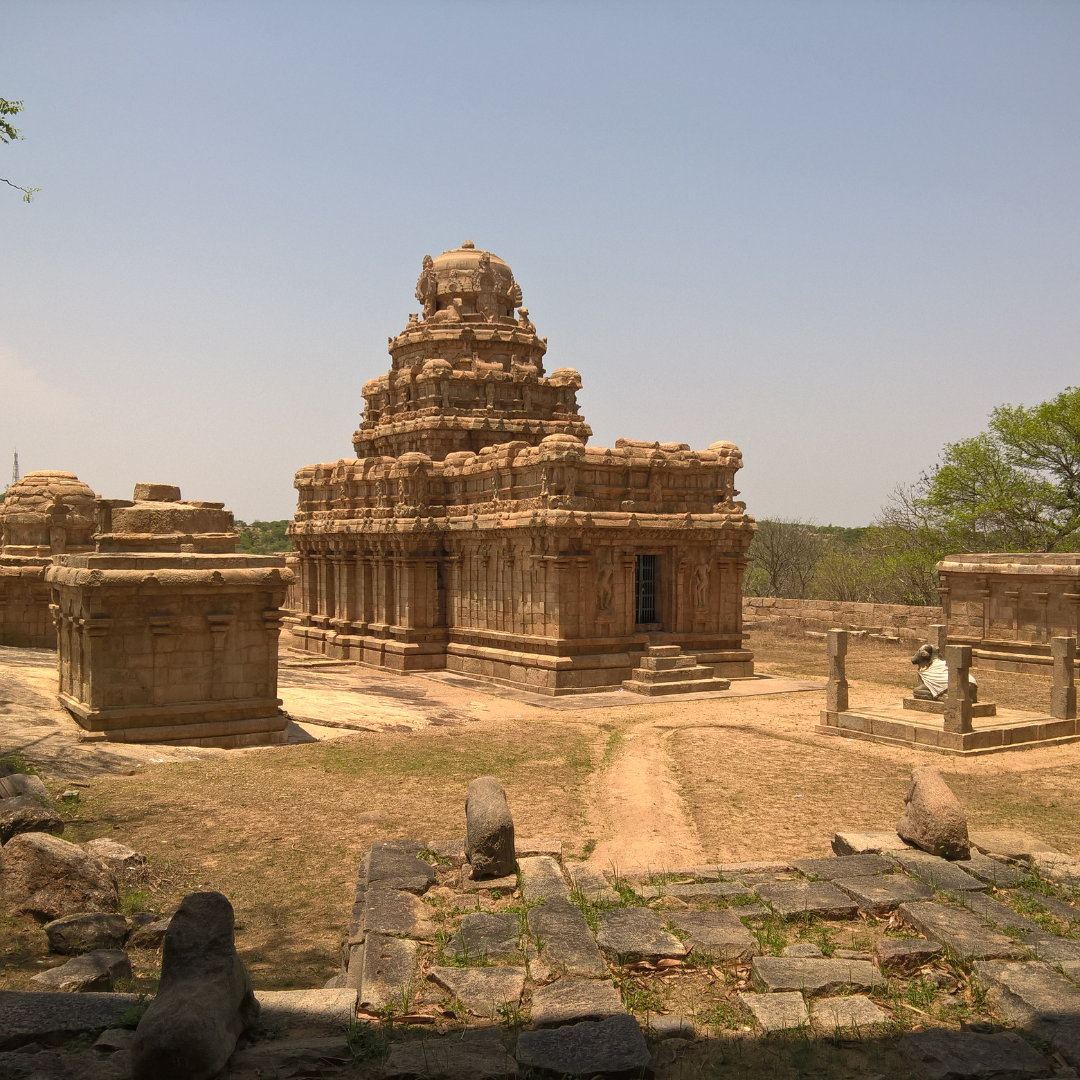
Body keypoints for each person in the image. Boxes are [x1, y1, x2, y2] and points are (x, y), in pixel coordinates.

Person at [911, 645, 976, 701]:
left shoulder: (935, 666)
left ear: (923, 654)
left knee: (916, 691)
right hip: (971, 684)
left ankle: (939, 696)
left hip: (963, 685)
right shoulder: (936, 665)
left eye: (918, 652)